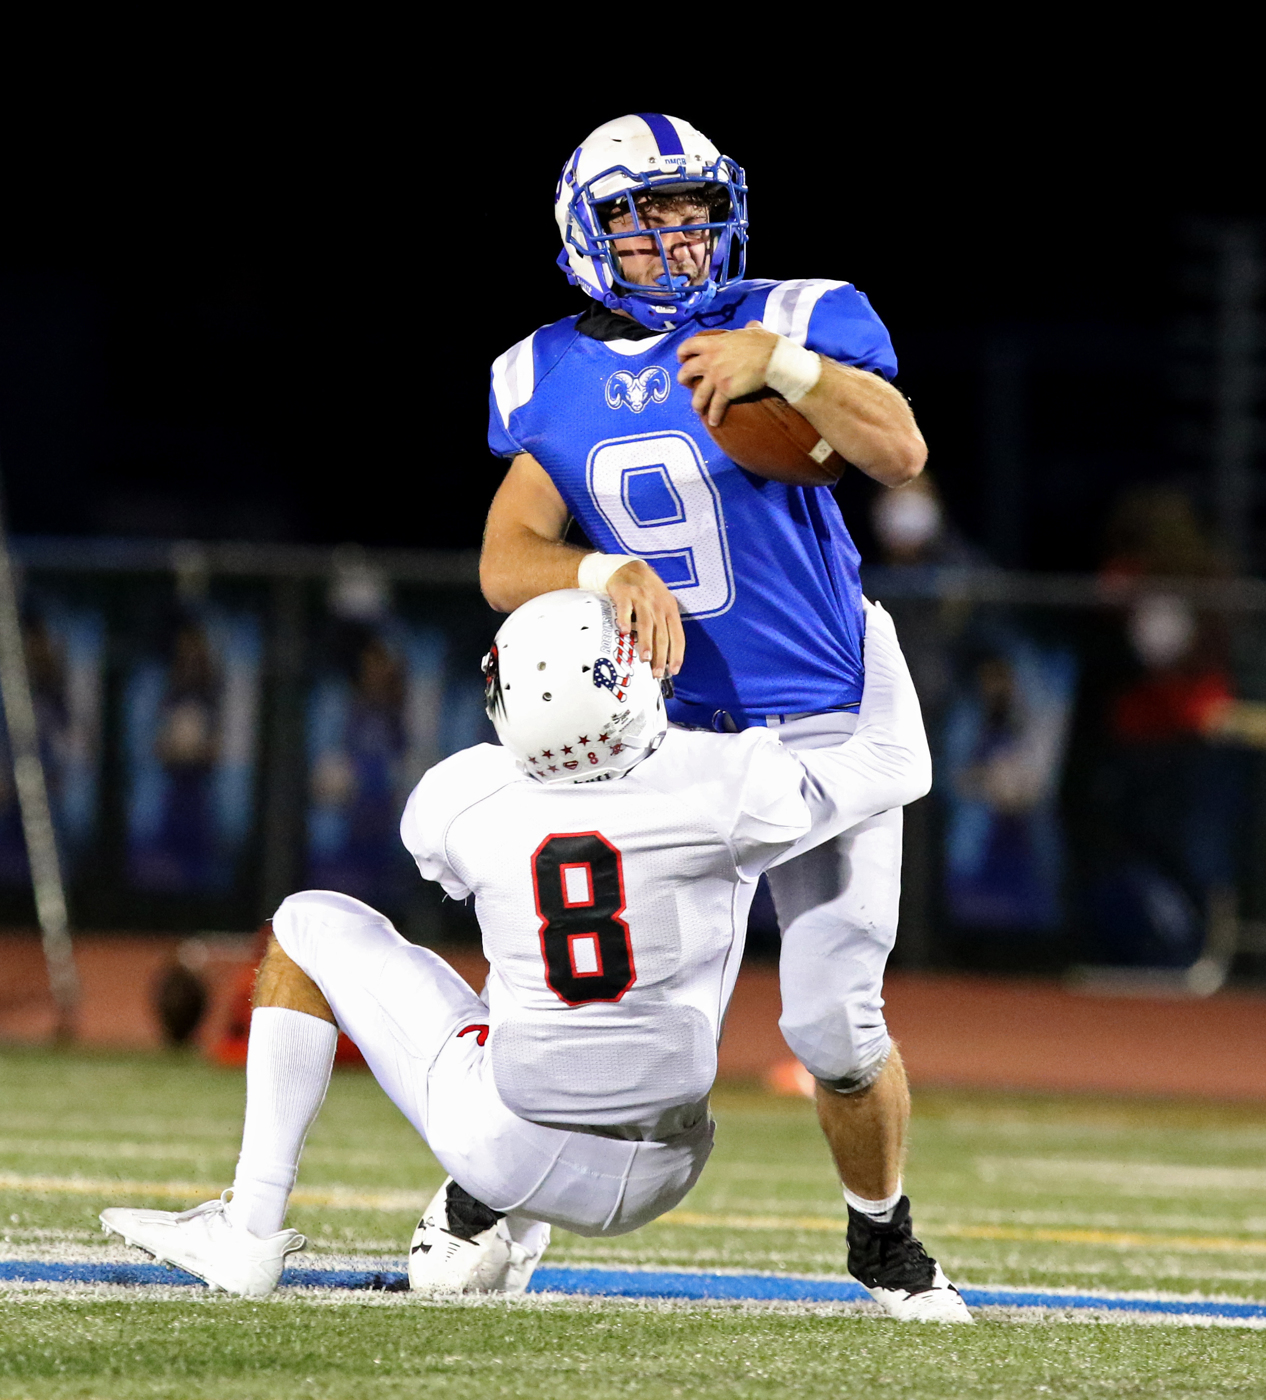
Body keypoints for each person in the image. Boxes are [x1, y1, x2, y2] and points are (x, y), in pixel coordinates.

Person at [100, 591, 969, 1321]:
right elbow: (900, 763)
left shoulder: (463, 795)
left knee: (309, 924)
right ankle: (485, 1221)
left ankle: (251, 1229)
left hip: (509, 1139)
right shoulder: (728, 781)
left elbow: (445, 867)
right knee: (613, 951)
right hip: (666, 1165)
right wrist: (861, 612)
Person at [479, 113, 945, 1311]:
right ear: (591, 234)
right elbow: (506, 553)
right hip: (672, 734)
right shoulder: (546, 371)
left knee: (835, 1021)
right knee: (627, 1020)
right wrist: (601, 572)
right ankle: (485, 1198)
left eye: (693, 208)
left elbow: (897, 450)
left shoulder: (794, 314)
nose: (679, 235)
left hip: (821, 711)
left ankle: (882, 1238)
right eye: (647, 215)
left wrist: (778, 367)